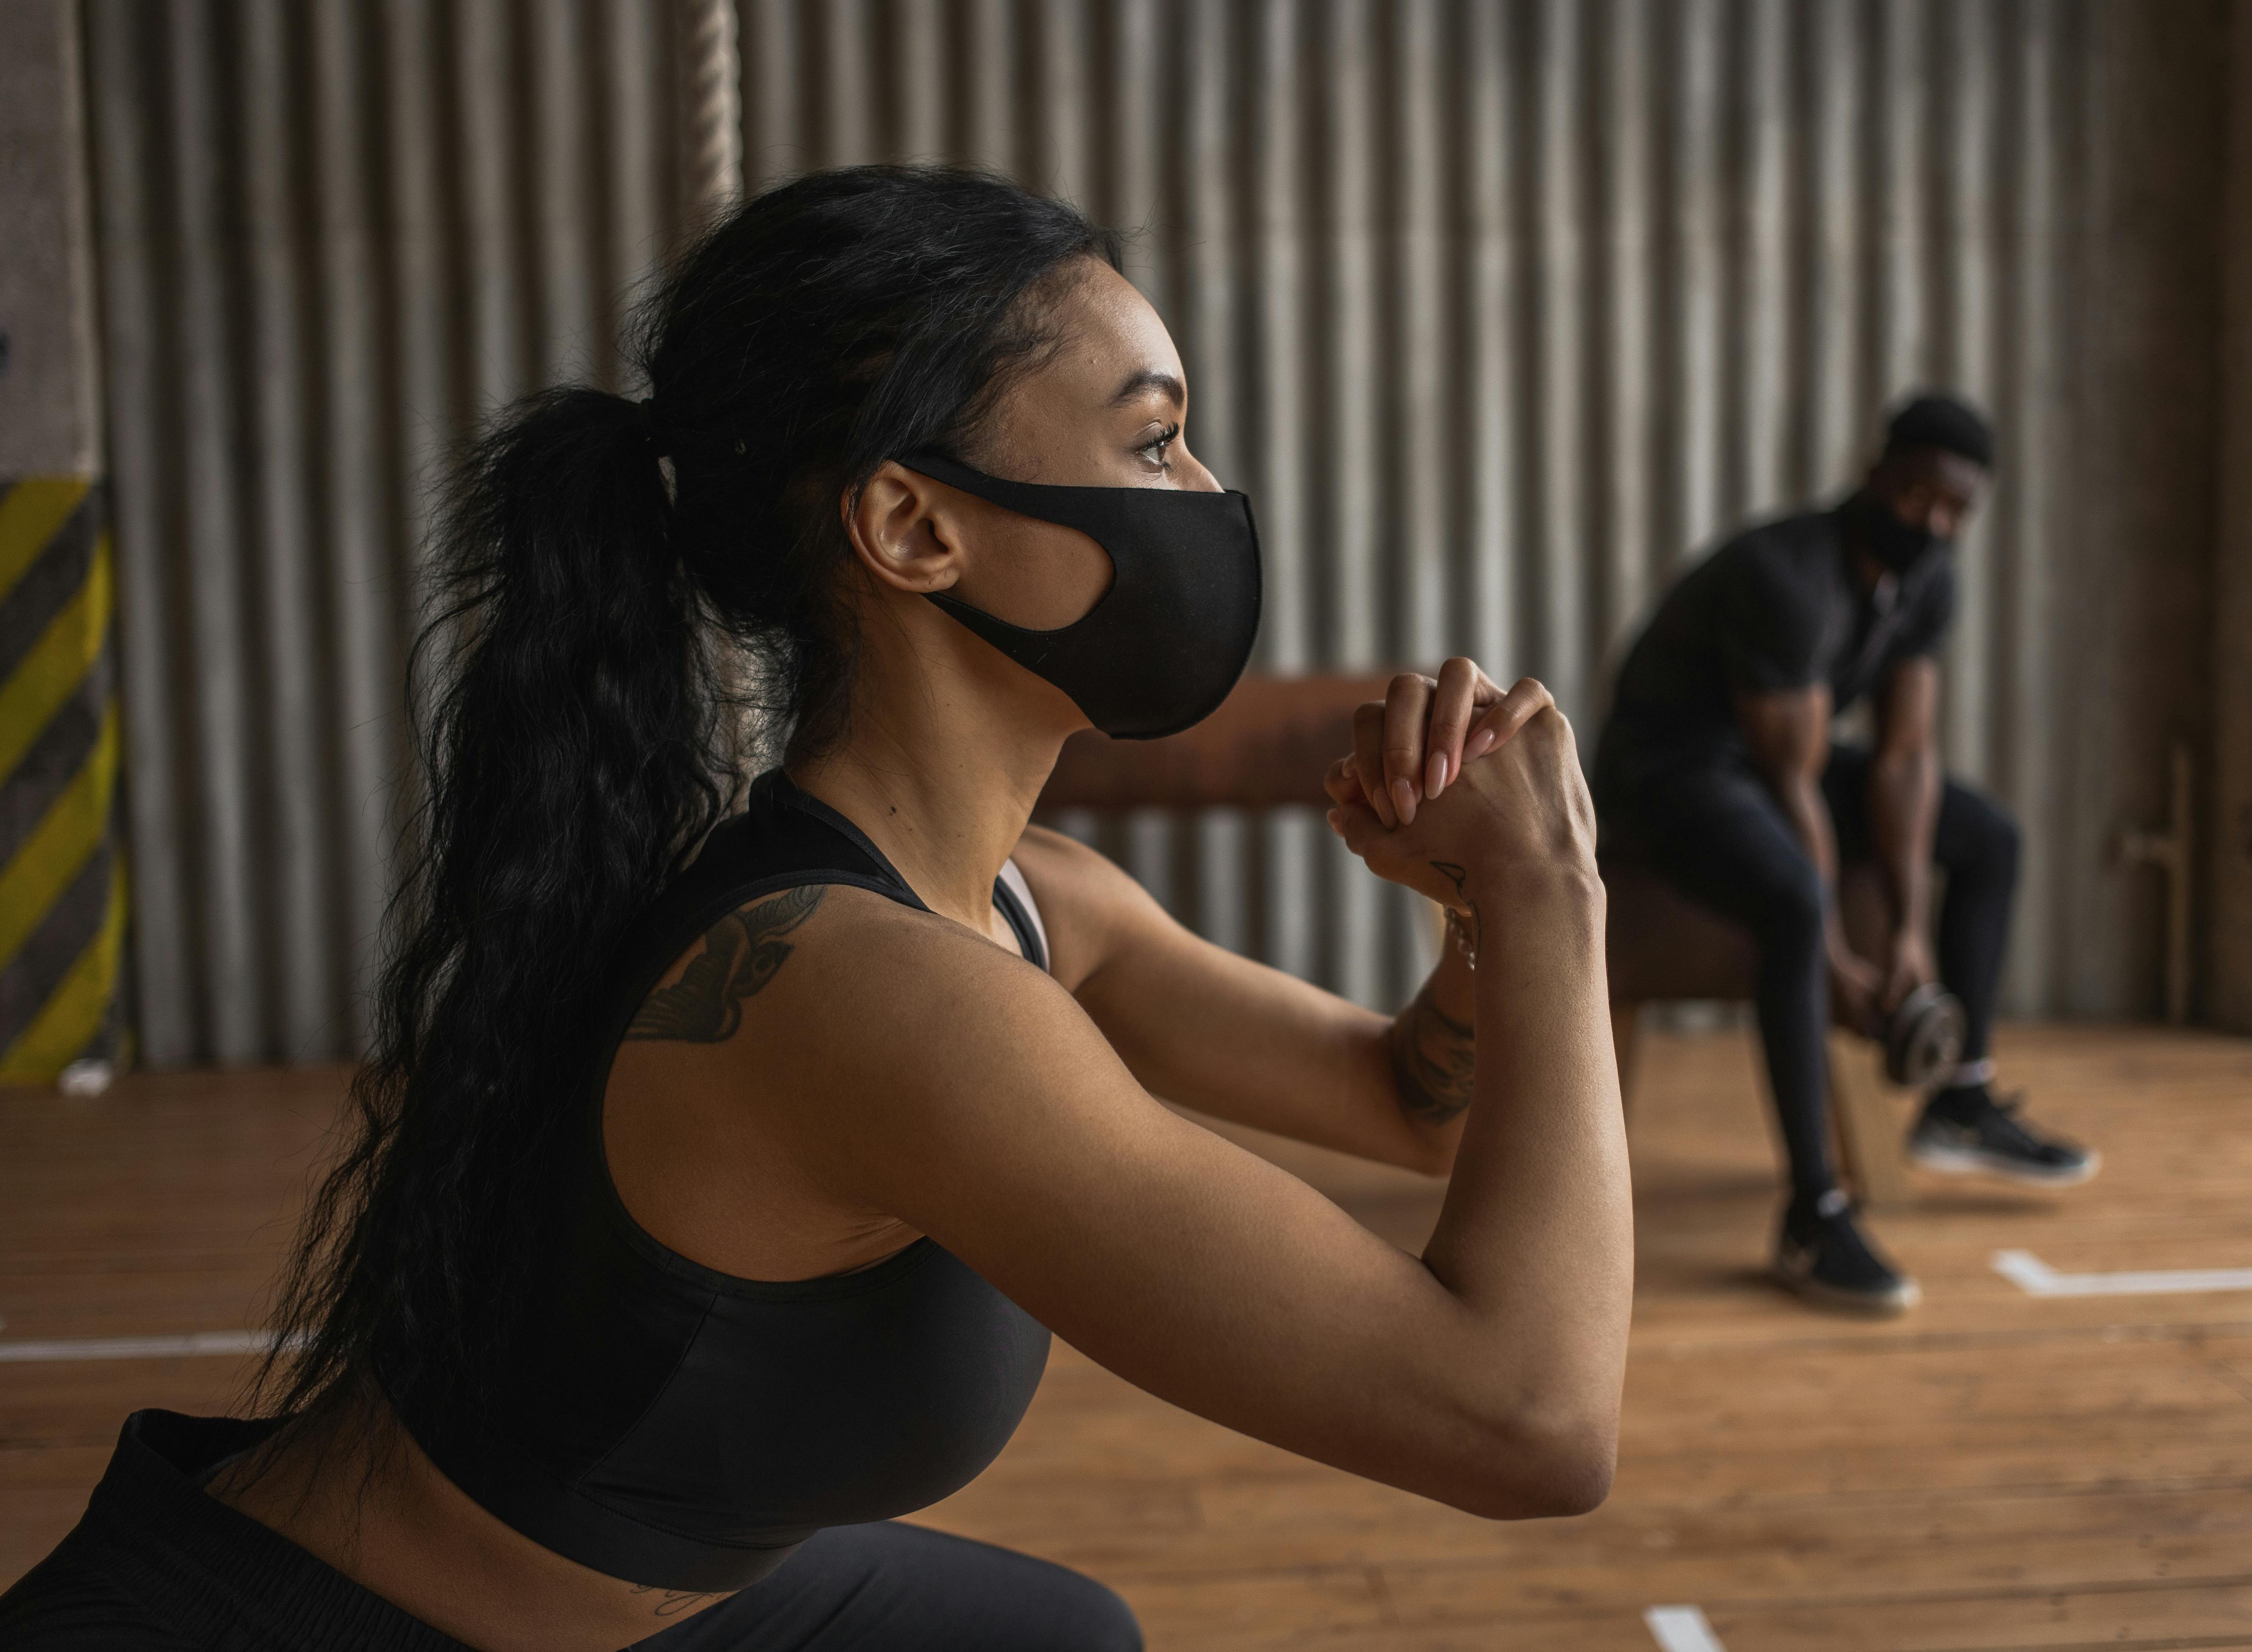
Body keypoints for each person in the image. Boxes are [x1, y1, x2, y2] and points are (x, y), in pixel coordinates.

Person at [0, 167, 1629, 1651]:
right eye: (1152, 440)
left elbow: (1404, 1102)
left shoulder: (1023, 899)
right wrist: (1556, 885)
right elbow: (1527, 1419)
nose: (1205, 496)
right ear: (915, 525)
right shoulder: (864, 996)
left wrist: (1482, 919)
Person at [1594, 394, 2095, 1317]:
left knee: (1988, 837)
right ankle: (1813, 1213)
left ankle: (1961, 1098)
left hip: (1773, 765)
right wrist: (1831, 958)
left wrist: (1910, 933)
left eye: (1955, 512)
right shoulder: (1786, 578)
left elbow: (1904, 760)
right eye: (1917, 499)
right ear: (1876, 476)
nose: (1933, 524)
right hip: (1668, 772)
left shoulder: (1928, 579)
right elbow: (1798, 781)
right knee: (1791, 898)